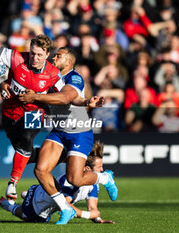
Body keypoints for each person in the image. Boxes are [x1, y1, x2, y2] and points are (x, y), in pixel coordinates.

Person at [18, 47, 116, 225]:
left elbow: (65, 98)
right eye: (54, 55)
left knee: (75, 179)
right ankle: (65, 208)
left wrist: (36, 98)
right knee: (40, 170)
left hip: (79, 133)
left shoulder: (74, 77)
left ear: (68, 62)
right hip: (59, 131)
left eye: (58, 56)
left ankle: (104, 178)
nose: (54, 57)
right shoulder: (49, 76)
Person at [0, 34, 63, 202]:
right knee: (25, 152)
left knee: (26, 138)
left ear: (47, 55)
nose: (35, 58)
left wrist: (84, 101)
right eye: (32, 53)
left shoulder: (53, 74)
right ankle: (62, 156)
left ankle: (13, 183)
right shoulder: (16, 58)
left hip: (35, 113)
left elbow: (65, 96)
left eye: (40, 55)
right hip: (10, 114)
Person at [0, 141, 116, 224]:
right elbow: (65, 206)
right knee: (30, 218)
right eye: (99, 167)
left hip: (43, 194)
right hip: (37, 204)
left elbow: (93, 207)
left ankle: (26, 194)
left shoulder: (93, 182)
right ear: (86, 169)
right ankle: (9, 206)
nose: (101, 170)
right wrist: (88, 215)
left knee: (44, 212)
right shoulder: (71, 182)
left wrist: (97, 219)